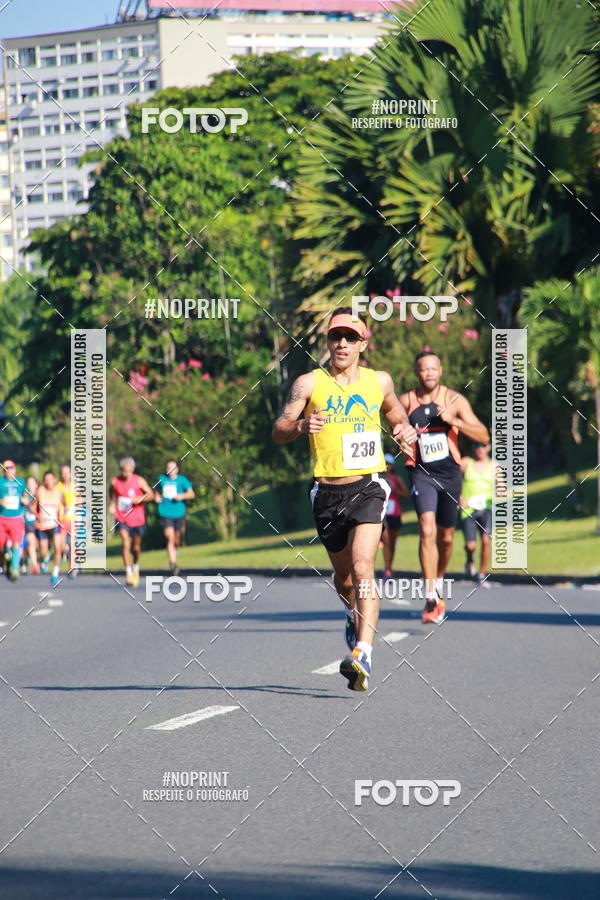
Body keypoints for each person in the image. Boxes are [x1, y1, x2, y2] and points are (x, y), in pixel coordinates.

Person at [272, 308, 416, 692]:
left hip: (368, 485)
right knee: (344, 578)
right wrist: (300, 425)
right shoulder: (309, 383)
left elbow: (396, 413)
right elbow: (279, 429)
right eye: (336, 336)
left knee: (362, 565)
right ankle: (354, 619)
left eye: (350, 338)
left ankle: (363, 653)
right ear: (328, 342)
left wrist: (402, 429)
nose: (341, 343)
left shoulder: (378, 381)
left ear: (362, 345)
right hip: (326, 491)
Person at [400, 351, 489, 624]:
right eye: (424, 369)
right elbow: (395, 428)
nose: (429, 373)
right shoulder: (406, 401)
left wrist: (456, 421)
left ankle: (438, 581)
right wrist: (401, 437)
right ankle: (430, 595)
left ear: (440, 371)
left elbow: (483, 434)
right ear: (417, 372)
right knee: (426, 529)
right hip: (421, 474)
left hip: (450, 474)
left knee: (447, 537)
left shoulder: (454, 400)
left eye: (433, 369)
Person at [109, 457, 154, 588]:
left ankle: (135, 566)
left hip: (137, 518)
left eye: (128, 471)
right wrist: (112, 503)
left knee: (136, 547)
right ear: (120, 470)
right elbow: (111, 493)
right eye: (123, 471)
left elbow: (151, 495)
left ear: (132, 470)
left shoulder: (139, 480)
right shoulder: (115, 481)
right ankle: (128, 572)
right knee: (125, 541)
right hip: (122, 517)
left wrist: (139, 499)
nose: (126, 474)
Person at [460, 441, 494, 586]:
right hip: (468, 509)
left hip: (486, 509)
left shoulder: (494, 466)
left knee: (486, 541)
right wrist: (459, 497)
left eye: (483, 446)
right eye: (477, 447)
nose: (479, 450)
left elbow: (502, 485)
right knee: (470, 545)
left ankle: (481, 573)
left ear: (488, 447)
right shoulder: (466, 463)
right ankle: (470, 559)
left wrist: (500, 491)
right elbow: (453, 479)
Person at [155, 459, 194, 574]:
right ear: (166, 469)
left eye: (173, 467)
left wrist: (181, 496)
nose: (171, 470)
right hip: (165, 512)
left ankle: (173, 556)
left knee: (176, 539)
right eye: (168, 468)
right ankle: (173, 563)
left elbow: (192, 494)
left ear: (177, 469)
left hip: (179, 512)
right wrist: (156, 497)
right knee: (169, 537)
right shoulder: (161, 479)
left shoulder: (182, 480)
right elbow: (155, 490)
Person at [32, 470, 65, 587]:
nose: (48, 482)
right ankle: (45, 559)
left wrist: (63, 516)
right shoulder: (40, 491)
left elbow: (65, 504)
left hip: (54, 525)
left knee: (58, 548)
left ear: (55, 480)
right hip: (42, 526)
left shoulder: (59, 492)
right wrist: (37, 516)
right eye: (46, 479)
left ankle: (55, 573)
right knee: (43, 551)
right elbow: (32, 506)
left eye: (50, 479)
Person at [381, 452, 409, 578]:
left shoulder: (397, 479)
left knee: (392, 542)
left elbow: (407, 494)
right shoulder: (378, 478)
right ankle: (387, 569)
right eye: (385, 463)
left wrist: (395, 490)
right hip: (382, 513)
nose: (387, 466)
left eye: (389, 464)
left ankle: (389, 566)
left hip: (395, 512)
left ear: (392, 465)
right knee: (386, 540)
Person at [0, 460, 27, 582]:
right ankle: (5, 560)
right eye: (6, 468)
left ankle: (14, 569)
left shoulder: (21, 482)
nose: (9, 470)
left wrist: (25, 501)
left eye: (11, 468)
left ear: (15, 469)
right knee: (2, 545)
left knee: (16, 542)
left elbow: (25, 496)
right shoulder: (1, 482)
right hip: (2, 518)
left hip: (16, 518)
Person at [58, 464, 77, 578]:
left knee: (73, 545)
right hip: (61, 519)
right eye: (63, 473)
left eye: (67, 472)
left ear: (70, 474)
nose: (65, 475)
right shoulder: (58, 486)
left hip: (73, 519)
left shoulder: (76, 487)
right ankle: (63, 553)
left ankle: (72, 568)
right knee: (61, 546)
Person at [23, 475, 39, 575]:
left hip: (41, 523)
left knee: (42, 548)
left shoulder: (41, 494)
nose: (30, 485)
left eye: (32, 483)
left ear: (36, 484)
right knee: (31, 543)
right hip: (29, 523)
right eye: (29, 483)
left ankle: (43, 560)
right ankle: (34, 565)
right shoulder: (24, 494)